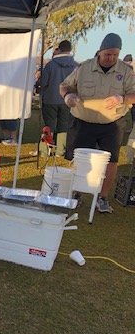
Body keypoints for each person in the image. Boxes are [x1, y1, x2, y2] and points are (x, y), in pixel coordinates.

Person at [60, 33, 135, 214]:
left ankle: (103, 197)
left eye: (115, 55)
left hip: (112, 123)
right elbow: (65, 85)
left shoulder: (125, 71)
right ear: (100, 52)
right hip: (83, 121)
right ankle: (77, 195)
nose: (112, 58)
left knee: (111, 161)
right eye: (108, 54)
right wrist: (68, 95)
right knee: (80, 160)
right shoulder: (84, 68)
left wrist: (122, 98)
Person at [32, 40, 79, 156]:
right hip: (68, 100)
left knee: (48, 125)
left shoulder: (51, 65)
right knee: (64, 126)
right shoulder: (76, 66)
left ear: (60, 49)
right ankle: (60, 150)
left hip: (50, 99)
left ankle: (44, 150)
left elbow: (43, 83)